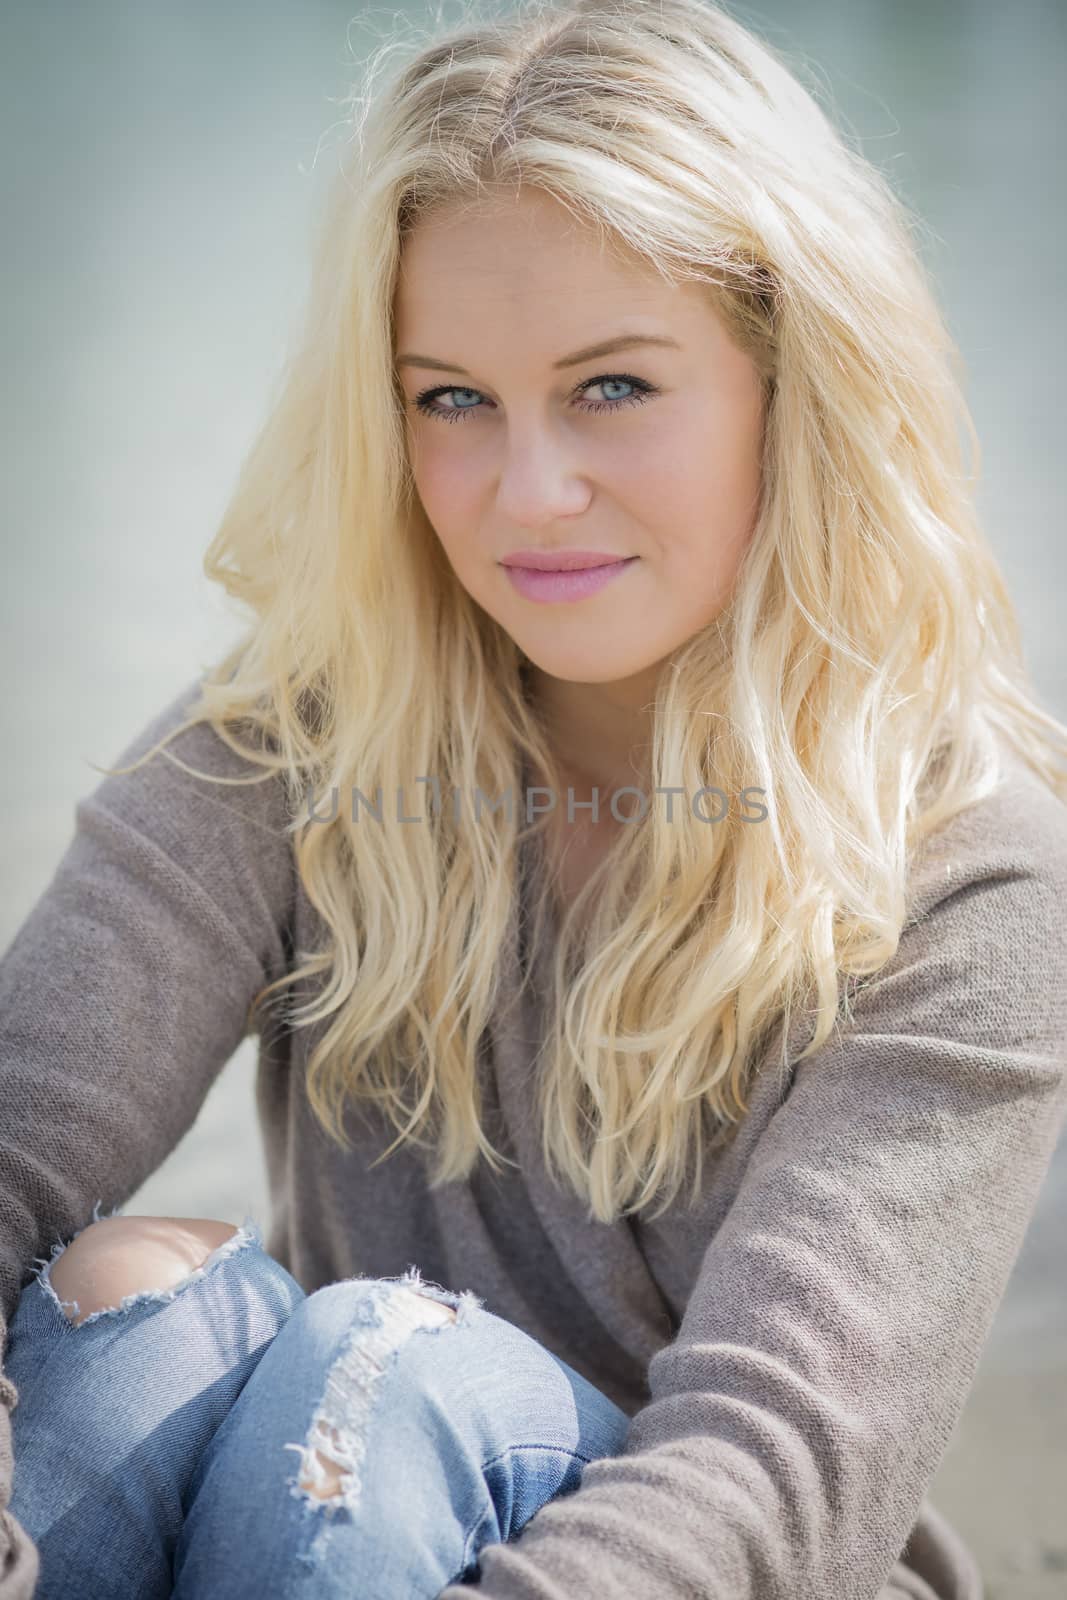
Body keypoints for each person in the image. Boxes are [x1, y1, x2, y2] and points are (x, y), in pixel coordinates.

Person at [2, 0, 1066, 1595]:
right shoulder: (299, 735)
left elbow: (771, 1474)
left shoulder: (977, 878)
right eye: (451, 399)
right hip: (323, 1544)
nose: (527, 492)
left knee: (397, 1366)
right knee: (131, 1302)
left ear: (798, 384)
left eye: (614, 388)